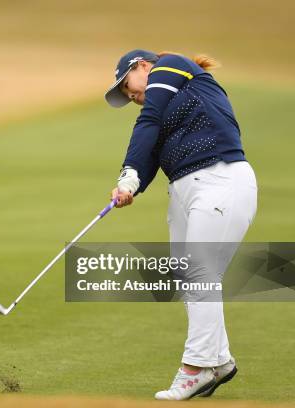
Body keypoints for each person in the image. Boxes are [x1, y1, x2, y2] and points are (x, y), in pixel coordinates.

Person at [104, 50, 257, 400]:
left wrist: (128, 171)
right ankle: (218, 360)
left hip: (221, 179)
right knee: (186, 274)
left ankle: (197, 367)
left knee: (199, 271)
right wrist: (129, 185)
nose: (133, 98)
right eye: (129, 98)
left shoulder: (172, 64)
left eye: (130, 89)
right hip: (185, 192)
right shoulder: (158, 111)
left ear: (142, 66)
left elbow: (149, 120)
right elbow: (148, 153)